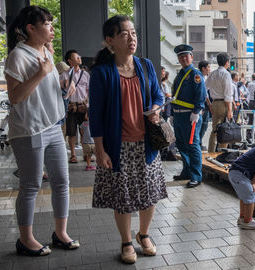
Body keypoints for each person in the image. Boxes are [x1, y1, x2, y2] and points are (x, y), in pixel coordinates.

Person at [89, 15, 167, 264]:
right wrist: (100, 151)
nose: (132, 38)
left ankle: (143, 234)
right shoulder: (102, 73)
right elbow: (96, 116)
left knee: (149, 194)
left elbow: (157, 94)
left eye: (133, 33)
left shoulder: (145, 65)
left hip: (147, 145)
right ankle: (126, 242)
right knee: (122, 198)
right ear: (110, 40)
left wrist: (155, 108)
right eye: (125, 34)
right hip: (118, 146)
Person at [5, 5, 79, 256]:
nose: (52, 28)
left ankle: (61, 233)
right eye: (47, 24)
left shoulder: (46, 53)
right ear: (30, 28)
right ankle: (25, 239)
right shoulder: (18, 55)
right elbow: (15, 97)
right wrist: (41, 73)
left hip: (53, 127)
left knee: (61, 182)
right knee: (30, 185)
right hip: (29, 130)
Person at [171, 44, 206, 187]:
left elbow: (201, 94)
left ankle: (196, 176)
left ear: (191, 57)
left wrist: (196, 112)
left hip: (190, 116)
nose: (183, 58)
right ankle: (187, 171)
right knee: (182, 145)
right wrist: (173, 113)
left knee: (192, 145)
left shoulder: (195, 74)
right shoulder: (180, 74)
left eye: (186, 56)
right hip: (178, 116)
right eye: (181, 56)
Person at [60, 49, 90, 163]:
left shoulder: (86, 74)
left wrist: (88, 107)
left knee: (84, 131)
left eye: (79, 56)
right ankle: (73, 155)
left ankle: (86, 154)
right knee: (71, 132)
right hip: (71, 107)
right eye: (76, 57)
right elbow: (61, 92)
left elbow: (89, 92)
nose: (79, 58)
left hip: (83, 106)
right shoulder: (64, 75)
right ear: (69, 61)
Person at [205, 52, 233, 152]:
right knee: (224, 129)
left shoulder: (212, 73)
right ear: (226, 62)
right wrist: (230, 110)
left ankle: (211, 152)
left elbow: (204, 89)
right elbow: (228, 94)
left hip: (214, 103)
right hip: (224, 104)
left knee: (214, 129)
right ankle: (222, 152)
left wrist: (209, 103)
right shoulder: (226, 74)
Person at [198, 60, 212, 151]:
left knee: (204, 124)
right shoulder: (200, 78)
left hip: (204, 104)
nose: (209, 69)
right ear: (203, 68)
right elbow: (204, 93)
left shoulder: (204, 77)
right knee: (203, 124)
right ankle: (198, 143)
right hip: (202, 104)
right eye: (208, 67)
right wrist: (209, 104)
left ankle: (199, 142)